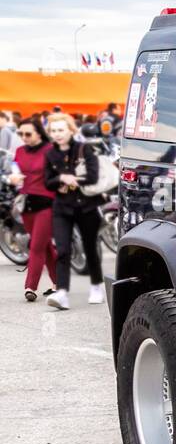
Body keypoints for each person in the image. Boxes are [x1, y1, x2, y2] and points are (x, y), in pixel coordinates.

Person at [44, 111, 104, 310]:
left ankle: (96, 285)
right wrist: (60, 179)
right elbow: (48, 181)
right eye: (53, 131)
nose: (57, 134)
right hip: (62, 208)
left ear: (71, 130)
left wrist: (72, 179)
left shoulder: (84, 149)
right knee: (62, 250)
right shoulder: (50, 154)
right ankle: (61, 293)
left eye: (61, 130)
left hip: (86, 206)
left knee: (89, 248)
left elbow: (94, 177)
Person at [7, 117, 58, 301]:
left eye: (28, 133)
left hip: (47, 204)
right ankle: (58, 282)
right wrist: (12, 178)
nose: (24, 137)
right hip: (26, 205)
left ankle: (30, 287)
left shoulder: (51, 150)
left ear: (38, 133)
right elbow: (14, 169)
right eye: (21, 134)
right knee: (45, 247)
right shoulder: (19, 151)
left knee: (36, 246)